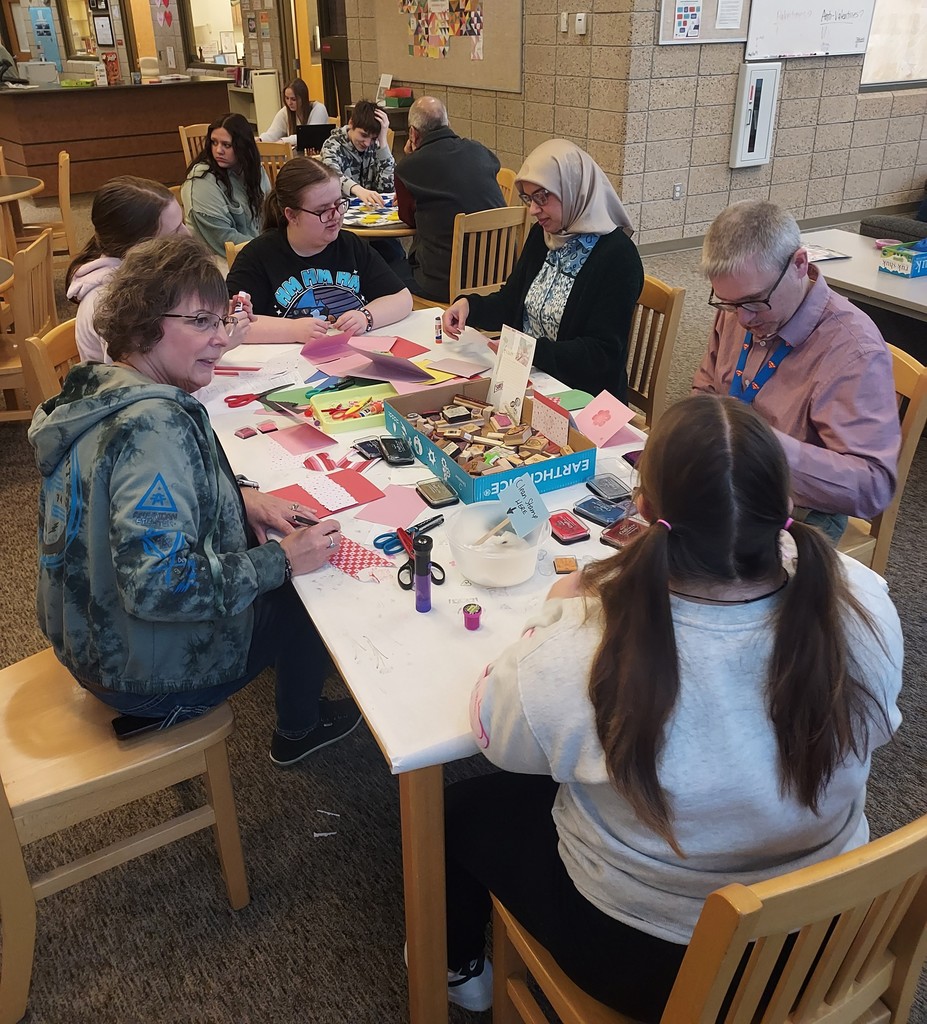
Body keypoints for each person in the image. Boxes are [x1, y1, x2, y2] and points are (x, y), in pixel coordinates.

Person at [442, 394, 903, 1017]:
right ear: (788, 506)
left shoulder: (581, 644)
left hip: (651, 956)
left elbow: (495, 738)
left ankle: (460, 969)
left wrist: (549, 612)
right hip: (825, 937)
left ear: (642, 511)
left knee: (459, 809)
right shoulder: (863, 599)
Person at [30, 235, 362, 766]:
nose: (221, 338)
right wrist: (280, 560)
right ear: (145, 327)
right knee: (308, 585)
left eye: (221, 320)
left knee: (270, 547)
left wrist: (242, 499)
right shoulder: (156, 429)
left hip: (86, 638)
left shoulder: (96, 391)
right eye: (202, 322)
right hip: (142, 679)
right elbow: (158, 586)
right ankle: (300, 728)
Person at [693, 200, 901, 543]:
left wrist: (761, 448)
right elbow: (705, 392)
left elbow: (873, 486)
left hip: (802, 511)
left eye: (755, 301)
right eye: (729, 303)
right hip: (728, 482)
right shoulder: (737, 310)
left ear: (800, 264)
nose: (743, 319)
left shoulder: (852, 350)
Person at [442, 139, 644, 401]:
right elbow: (512, 301)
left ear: (573, 190)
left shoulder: (617, 256)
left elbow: (601, 354)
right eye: (528, 198)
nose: (533, 209)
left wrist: (530, 351)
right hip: (528, 379)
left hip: (581, 395)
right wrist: (470, 306)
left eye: (542, 197)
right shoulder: (544, 235)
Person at [225, 158, 412, 344]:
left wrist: (366, 317)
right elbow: (229, 323)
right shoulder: (258, 256)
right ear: (291, 215)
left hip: (351, 355)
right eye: (322, 210)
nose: (336, 215)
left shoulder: (351, 245)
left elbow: (402, 299)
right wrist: (292, 330)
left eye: (339, 204)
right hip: (288, 365)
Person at [394, 96, 505, 302]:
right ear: (448, 124)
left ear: (412, 133)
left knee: (390, 266)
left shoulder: (409, 168)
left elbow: (409, 220)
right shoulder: (479, 150)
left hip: (444, 284)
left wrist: (410, 158)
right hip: (500, 276)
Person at [66, 176, 188, 363]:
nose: (187, 235)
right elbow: (140, 378)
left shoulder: (147, 276)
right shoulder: (111, 303)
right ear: (138, 247)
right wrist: (218, 344)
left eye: (183, 223)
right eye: (175, 232)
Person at [319, 98, 405, 268]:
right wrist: (359, 190)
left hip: (373, 223)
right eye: (363, 135)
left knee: (396, 257)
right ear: (351, 123)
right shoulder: (332, 145)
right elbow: (333, 177)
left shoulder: (375, 145)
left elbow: (388, 187)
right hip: (342, 224)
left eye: (372, 138)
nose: (366, 143)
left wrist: (383, 142)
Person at [182, 113, 271, 257]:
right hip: (216, 260)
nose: (218, 150)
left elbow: (269, 215)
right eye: (214, 142)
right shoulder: (201, 180)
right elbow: (222, 237)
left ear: (243, 146)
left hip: (254, 251)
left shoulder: (253, 170)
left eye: (226, 145)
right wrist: (269, 249)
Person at [259, 77, 329, 145]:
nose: (289, 103)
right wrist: (260, 140)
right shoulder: (285, 112)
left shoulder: (318, 109)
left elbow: (309, 135)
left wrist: (284, 141)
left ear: (303, 98)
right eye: (287, 98)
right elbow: (273, 133)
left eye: (293, 99)